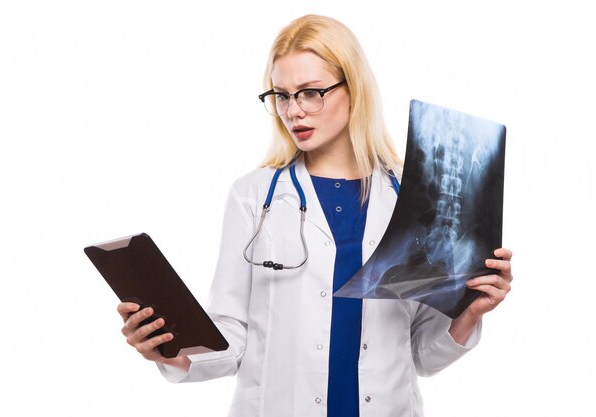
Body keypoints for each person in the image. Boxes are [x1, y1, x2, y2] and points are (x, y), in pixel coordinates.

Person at [116, 14, 513, 417]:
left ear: (353, 89)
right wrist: (170, 352)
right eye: (282, 95)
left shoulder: (411, 197)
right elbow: (232, 335)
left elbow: (421, 354)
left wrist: (470, 311)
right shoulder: (253, 196)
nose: (294, 111)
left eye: (310, 92)